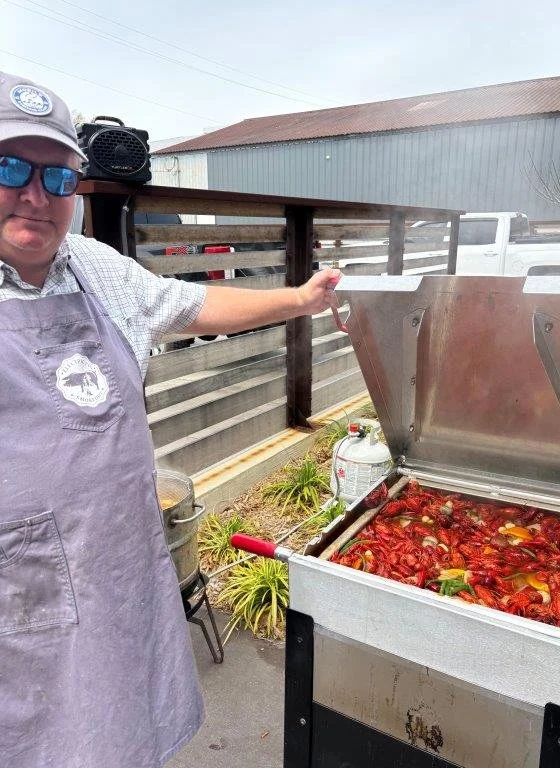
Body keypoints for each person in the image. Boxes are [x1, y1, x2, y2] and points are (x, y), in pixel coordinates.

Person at [0, 71, 341, 768]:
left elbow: (188, 306)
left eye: (59, 178)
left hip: (117, 560)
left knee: (117, 723)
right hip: (17, 593)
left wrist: (300, 301)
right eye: (10, 169)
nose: (36, 196)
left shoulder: (90, 263)